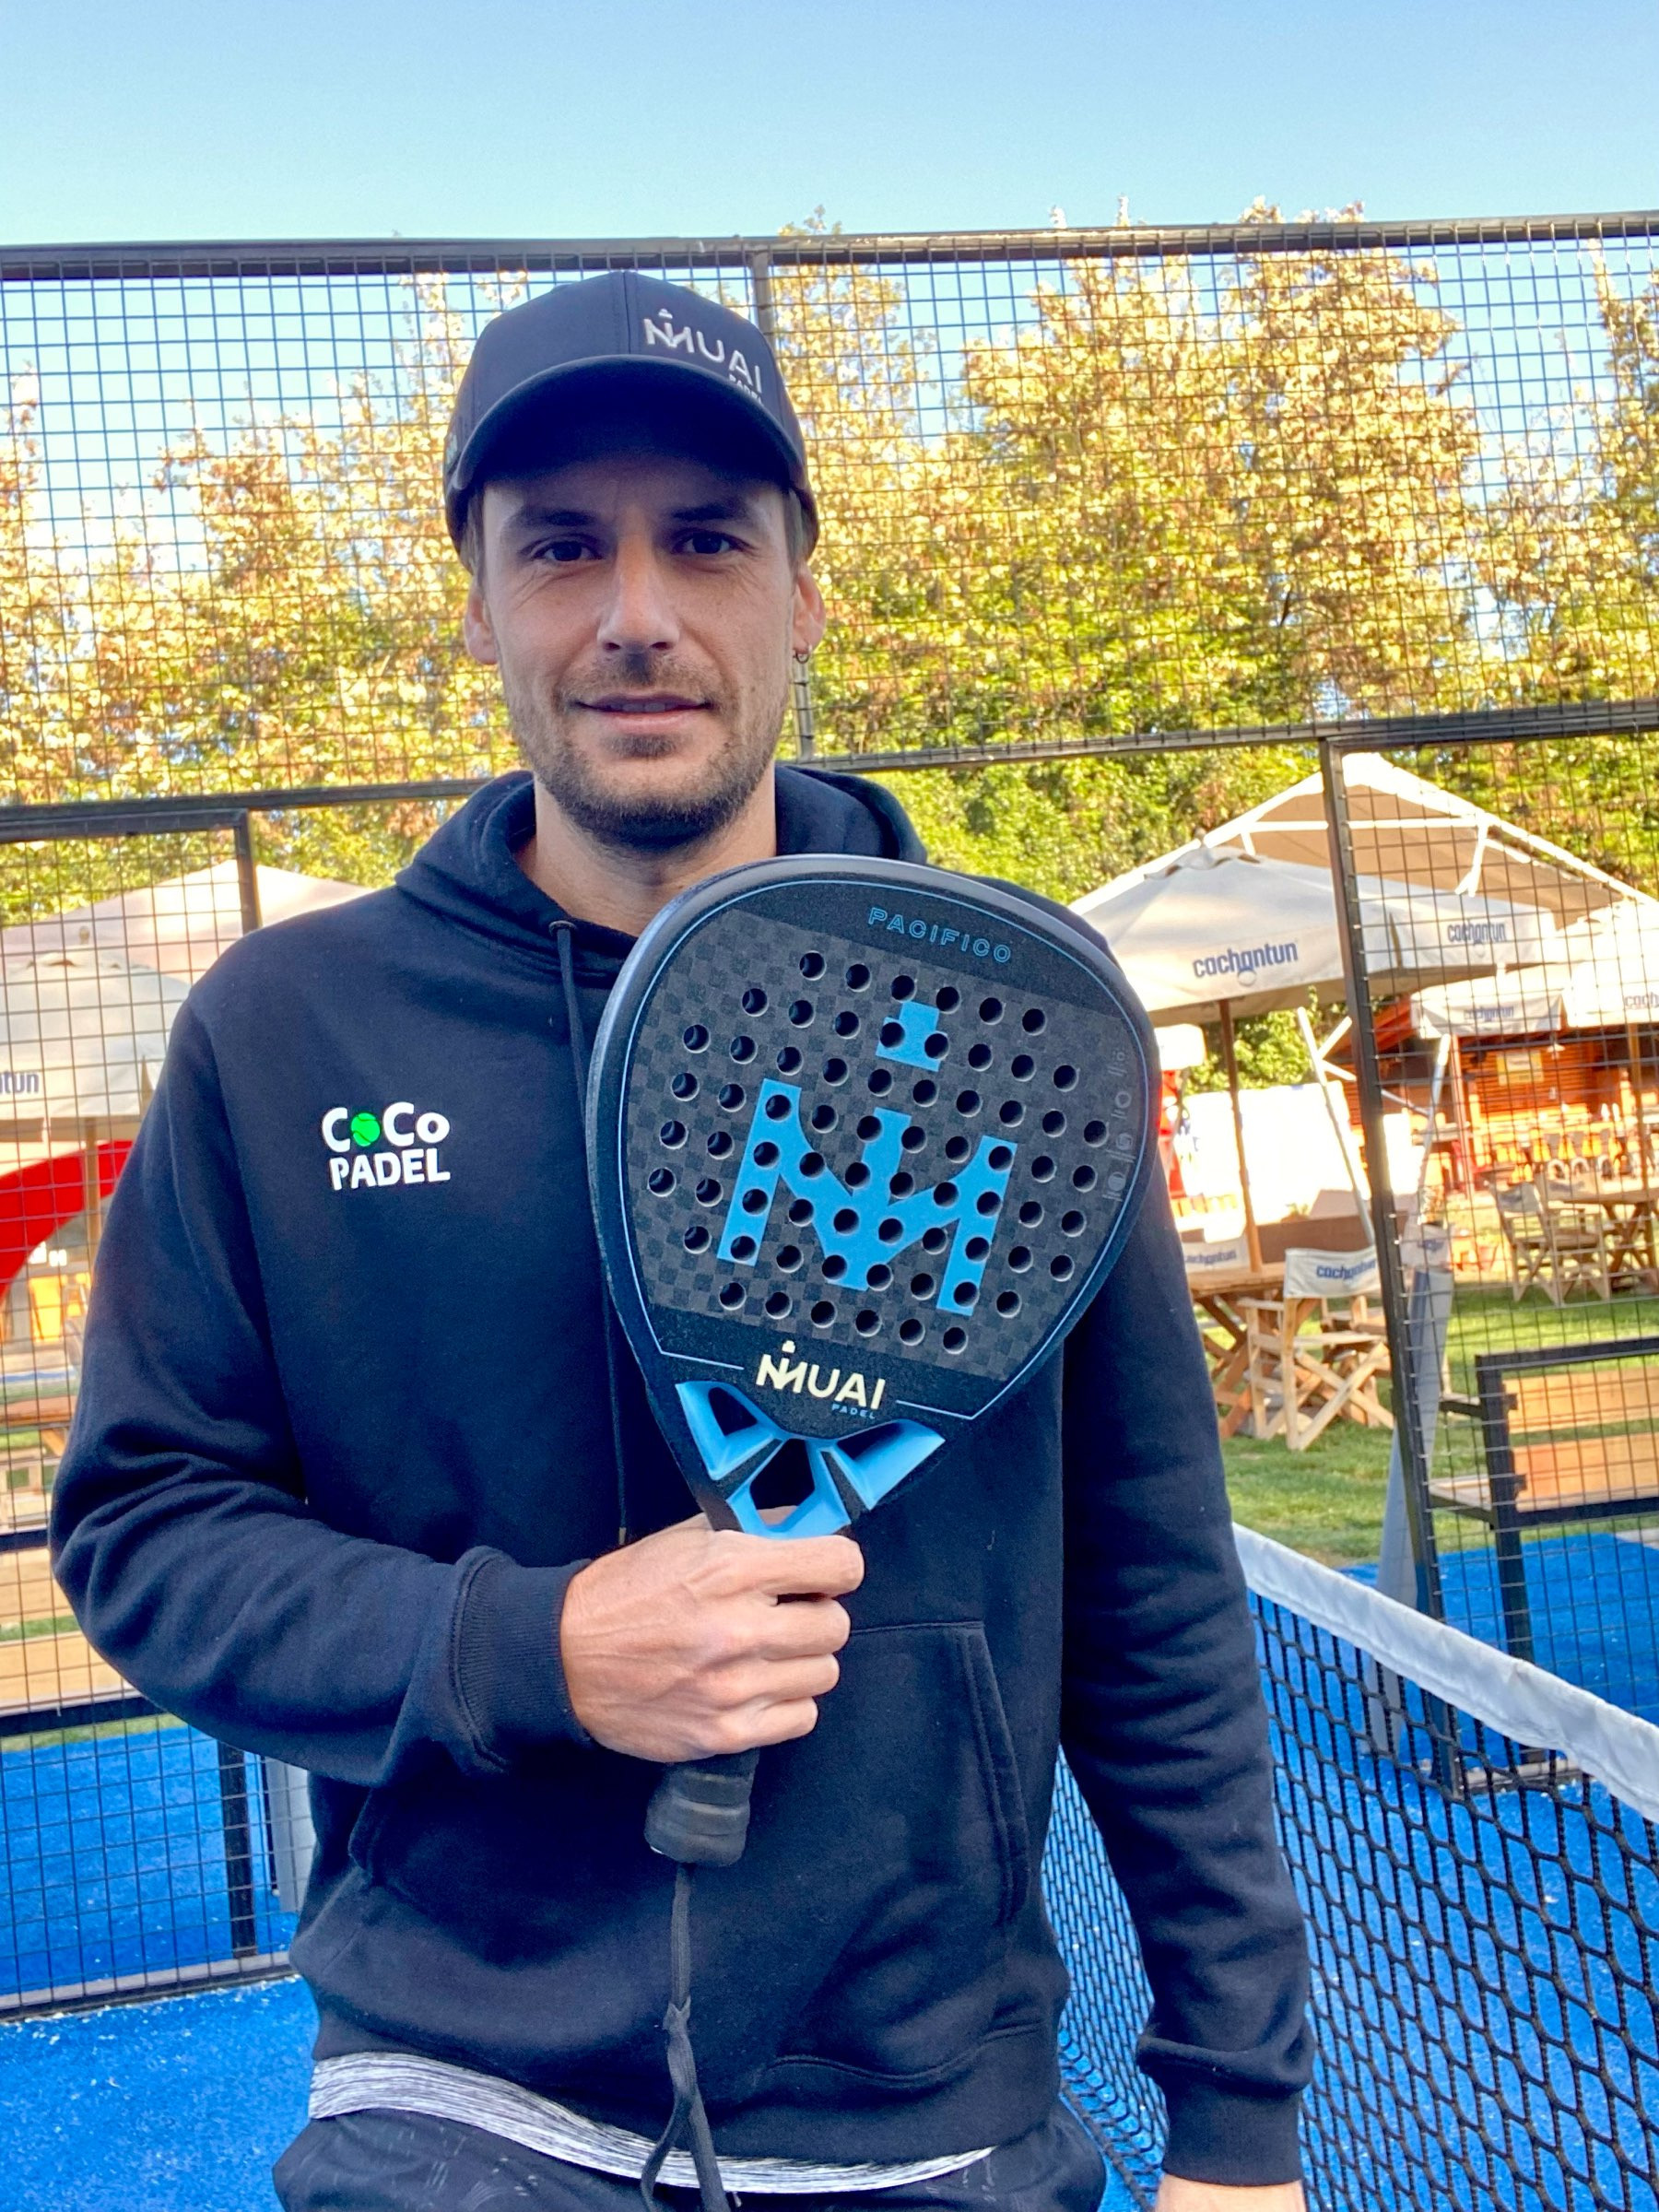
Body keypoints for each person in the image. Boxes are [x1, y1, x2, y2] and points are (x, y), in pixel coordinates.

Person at [52, 271, 1312, 2212]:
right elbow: (148, 1531)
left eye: (707, 541)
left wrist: (1237, 2116)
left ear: (804, 592)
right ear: (477, 604)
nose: (636, 611)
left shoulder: (1010, 1023)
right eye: (562, 545)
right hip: (456, 2104)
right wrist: (534, 1651)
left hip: (938, 2117)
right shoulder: (291, 1032)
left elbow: (1150, 1583)